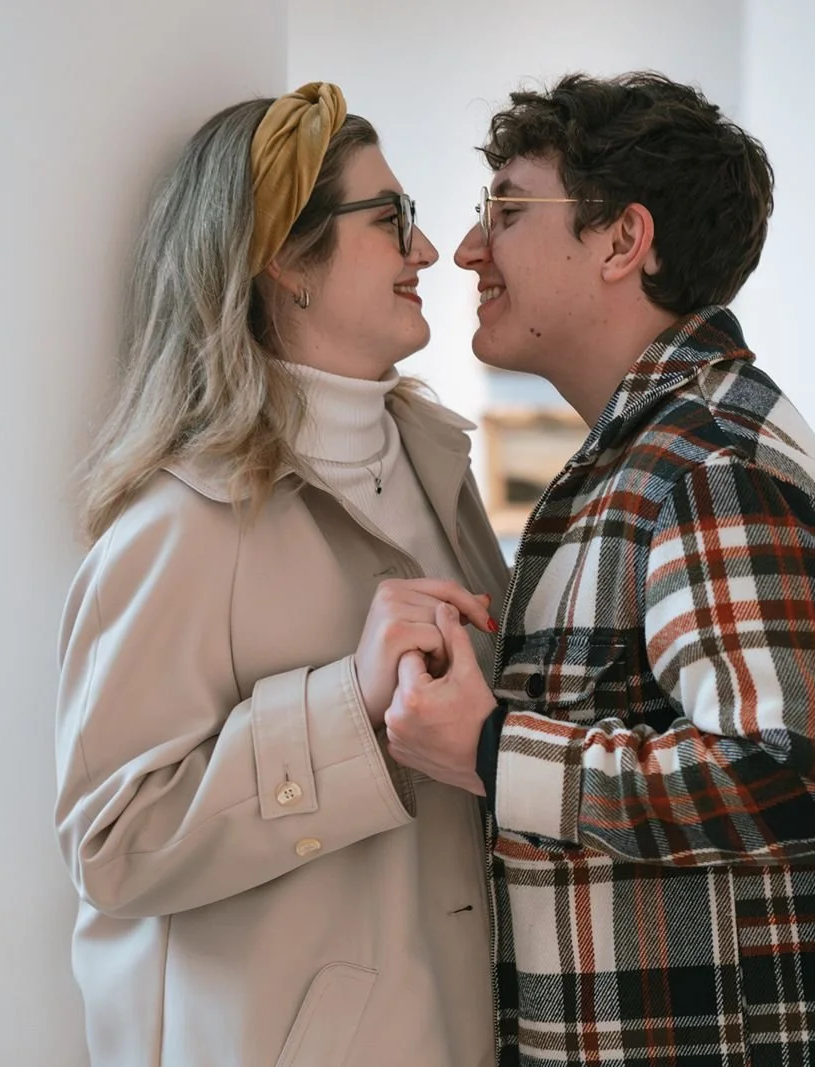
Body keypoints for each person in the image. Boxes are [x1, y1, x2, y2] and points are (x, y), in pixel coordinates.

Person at [384, 72, 815, 1065]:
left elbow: (805, 770)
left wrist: (495, 749)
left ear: (623, 242)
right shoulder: (651, 453)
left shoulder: (710, 460)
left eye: (504, 211)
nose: (465, 251)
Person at [53, 83, 508, 1067]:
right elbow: (110, 845)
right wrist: (349, 703)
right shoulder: (182, 524)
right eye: (393, 221)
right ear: (285, 262)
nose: (426, 253)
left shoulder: (436, 472)